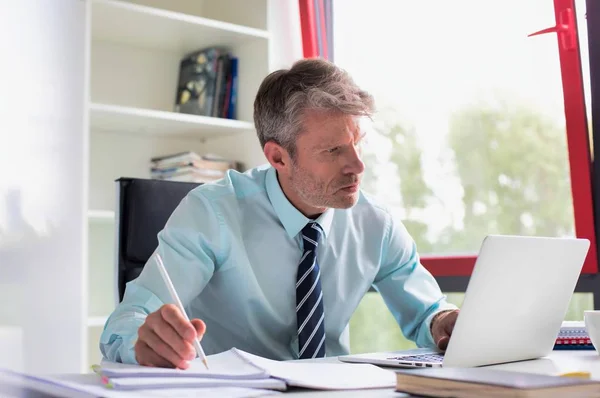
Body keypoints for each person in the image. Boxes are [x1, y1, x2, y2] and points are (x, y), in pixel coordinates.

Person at [100, 58, 459, 369]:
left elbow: (429, 313)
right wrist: (142, 343)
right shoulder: (212, 212)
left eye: (357, 142)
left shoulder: (375, 224)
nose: (356, 165)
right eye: (333, 150)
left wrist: (444, 322)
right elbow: (125, 322)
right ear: (278, 157)